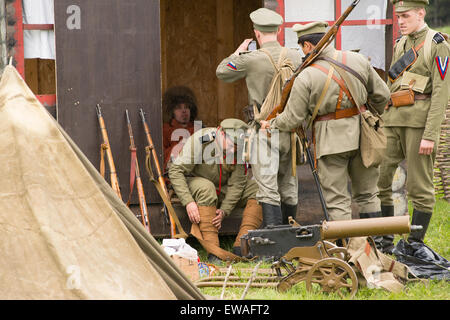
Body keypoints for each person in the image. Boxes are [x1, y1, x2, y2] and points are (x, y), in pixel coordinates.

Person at [260, 22, 391, 228]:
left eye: (302, 47)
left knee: (338, 200)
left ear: (309, 46)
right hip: (366, 136)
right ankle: (377, 245)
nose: (302, 53)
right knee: (367, 194)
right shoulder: (357, 60)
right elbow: (383, 95)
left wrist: (271, 124)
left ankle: (348, 248)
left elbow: (293, 118)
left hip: (331, 142)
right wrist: (365, 116)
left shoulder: (306, 76)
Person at [216, 8, 302, 227]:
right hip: (291, 129)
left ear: (257, 33)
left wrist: (239, 51)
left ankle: (274, 240)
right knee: (289, 184)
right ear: (278, 30)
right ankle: (289, 235)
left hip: (265, 129)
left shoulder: (251, 59)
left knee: (267, 185)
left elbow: (222, 71)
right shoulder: (294, 55)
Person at [377, 0, 450, 249]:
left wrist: (430, 134)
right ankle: (386, 239)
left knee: (419, 187)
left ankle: (415, 245)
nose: (401, 22)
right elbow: (392, 86)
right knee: (382, 178)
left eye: (406, 16)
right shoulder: (400, 44)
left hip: (418, 125)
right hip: (394, 120)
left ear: (421, 13)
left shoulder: (437, 45)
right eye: (398, 17)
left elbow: (440, 94)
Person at [168, 118, 262, 262]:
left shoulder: (239, 148)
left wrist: (224, 210)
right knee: (207, 187)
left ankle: (242, 246)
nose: (233, 150)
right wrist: (188, 202)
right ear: (221, 134)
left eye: (236, 148)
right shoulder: (201, 140)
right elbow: (175, 170)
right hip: (194, 181)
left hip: (221, 188)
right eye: (231, 145)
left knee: (257, 189)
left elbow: (237, 183)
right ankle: (214, 252)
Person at [162, 86, 200, 170]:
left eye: (186, 107)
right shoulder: (165, 129)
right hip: (174, 171)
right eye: (179, 108)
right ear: (172, 112)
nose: (184, 111)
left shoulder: (198, 128)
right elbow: (162, 155)